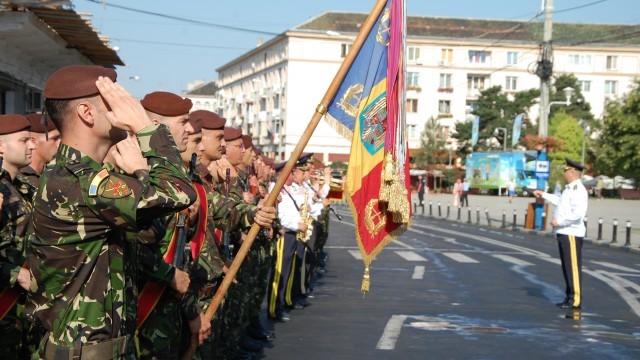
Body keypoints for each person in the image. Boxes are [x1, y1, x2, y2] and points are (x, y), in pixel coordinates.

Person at [28, 65, 198, 358]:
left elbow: (147, 232)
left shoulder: (82, 177)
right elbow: (180, 190)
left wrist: (141, 172)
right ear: (86, 112)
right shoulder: (80, 182)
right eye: (114, 100)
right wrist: (146, 126)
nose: (125, 107)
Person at [0, 114, 38, 359]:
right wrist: (17, 273)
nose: (32, 145)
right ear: (1, 146)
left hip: (24, 308)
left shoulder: (24, 186)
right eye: (24, 140)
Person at [534, 158, 588, 310]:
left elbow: (578, 214)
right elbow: (561, 202)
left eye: (566, 170)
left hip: (571, 233)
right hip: (565, 232)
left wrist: (560, 222)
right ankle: (569, 297)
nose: (564, 172)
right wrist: (544, 194)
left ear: (572, 172)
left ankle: (575, 299)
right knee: (567, 267)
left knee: (573, 268)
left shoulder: (578, 190)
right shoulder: (569, 188)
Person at [20, 113, 61, 188]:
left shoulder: (52, 176)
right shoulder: (16, 180)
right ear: (33, 141)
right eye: (55, 138)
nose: (60, 144)